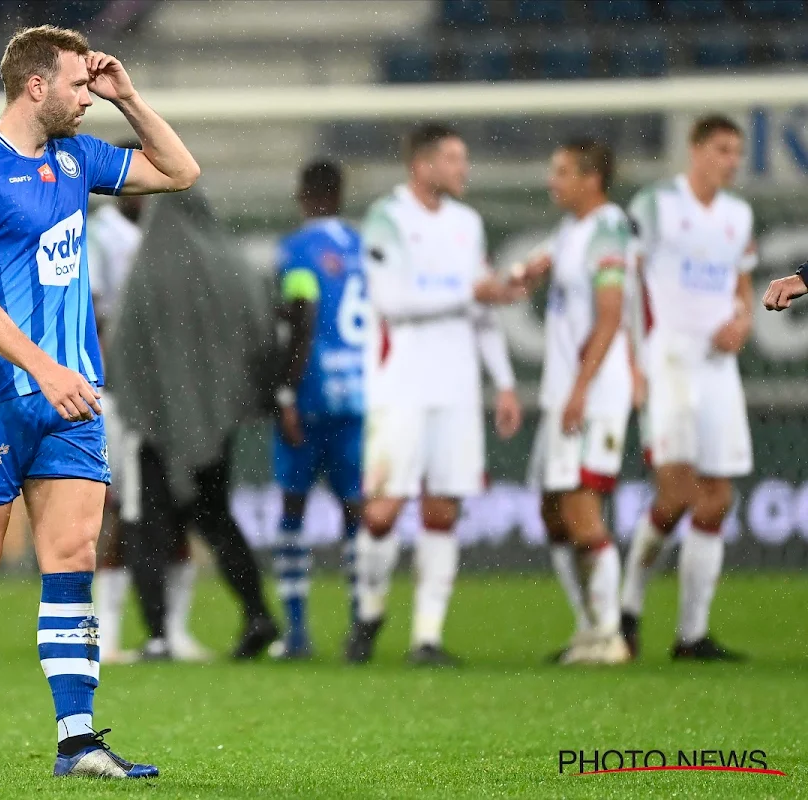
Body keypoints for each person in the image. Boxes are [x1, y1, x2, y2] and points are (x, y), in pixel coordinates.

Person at [0, 25, 198, 781]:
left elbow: (180, 171)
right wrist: (44, 368)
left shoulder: (78, 157)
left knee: (73, 556)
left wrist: (129, 97)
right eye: (81, 85)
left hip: (70, 396)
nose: (89, 97)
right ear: (35, 86)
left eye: (94, 85)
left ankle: (78, 742)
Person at [347, 124, 524, 666]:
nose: (462, 169)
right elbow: (393, 302)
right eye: (453, 158)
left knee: (443, 510)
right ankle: (370, 609)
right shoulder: (387, 218)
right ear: (422, 165)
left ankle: (426, 637)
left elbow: (484, 310)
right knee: (381, 514)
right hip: (399, 386)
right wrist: (469, 292)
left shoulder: (468, 224)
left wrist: (506, 381)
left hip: (456, 388)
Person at [109, 187, 281, 661]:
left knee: (148, 523)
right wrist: (233, 398)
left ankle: (160, 633)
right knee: (215, 516)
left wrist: (146, 401)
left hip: (157, 419)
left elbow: (127, 344)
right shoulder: (233, 265)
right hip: (217, 418)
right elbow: (262, 331)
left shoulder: (150, 267)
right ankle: (258, 613)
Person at [619, 115, 756, 661]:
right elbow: (628, 284)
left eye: (736, 152)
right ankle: (627, 609)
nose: (731, 161)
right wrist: (632, 362)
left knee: (718, 498)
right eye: (722, 149)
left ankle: (691, 634)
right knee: (677, 493)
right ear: (695, 151)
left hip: (719, 366)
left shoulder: (738, 215)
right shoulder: (655, 205)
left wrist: (743, 319)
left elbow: (741, 285)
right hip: (670, 358)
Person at [86, 143, 208, 664]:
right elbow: (94, 315)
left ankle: (173, 632)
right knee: (120, 509)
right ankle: (106, 634)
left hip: (173, 397)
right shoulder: (98, 234)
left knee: (175, 509)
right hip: (120, 396)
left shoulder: (175, 235)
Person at [518, 138, 633, 665]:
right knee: (551, 512)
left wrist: (582, 388)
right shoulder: (573, 230)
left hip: (592, 394)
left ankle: (609, 634)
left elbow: (610, 315)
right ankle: (589, 628)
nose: (552, 181)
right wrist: (531, 269)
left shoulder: (609, 228)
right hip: (564, 392)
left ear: (592, 178)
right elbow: (550, 259)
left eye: (562, 172)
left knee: (582, 512)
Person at [269, 159, 365, 659]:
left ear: (304, 196)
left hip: (310, 396)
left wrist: (285, 393)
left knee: (292, 509)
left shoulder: (297, 251)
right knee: (355, 512)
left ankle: (298, 633)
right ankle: (359, 623)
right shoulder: (363, 248)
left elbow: (301, 322)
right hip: (359, 395)